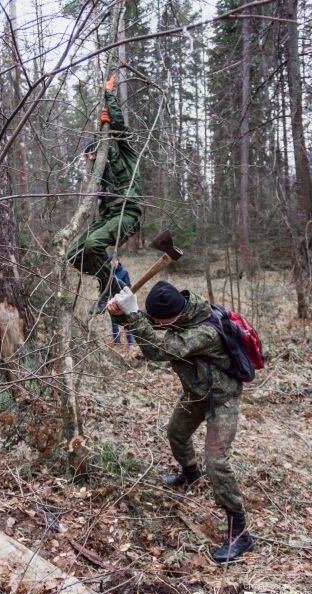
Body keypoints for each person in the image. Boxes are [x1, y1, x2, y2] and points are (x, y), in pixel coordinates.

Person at [107, 281, 254, 563]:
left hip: (222, 400)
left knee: (217, 461)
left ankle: (240, 532)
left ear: (173, 314)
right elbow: (149, 327)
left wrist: (134, 315)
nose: (158, 323)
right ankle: (190, 474)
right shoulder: (177, 313)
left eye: (161, 320)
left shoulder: (206, 331)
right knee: (176, 433)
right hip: (196, 394)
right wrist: (120, 313)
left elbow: (160, 350)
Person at [67, 74, 143, 314]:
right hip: (108, 218)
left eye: (93, 154)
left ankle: (112, 287)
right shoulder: (101, 173)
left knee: (91, 244)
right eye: (87, 157)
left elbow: (120, 129)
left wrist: (109, 97)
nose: (90, 159)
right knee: (74, 253)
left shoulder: (126, 155)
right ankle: (111, 285)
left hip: (127, 213)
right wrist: (92, 165)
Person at [108, 256, 134, 345]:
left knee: (127, 321)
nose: (114, 262)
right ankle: (117, 342)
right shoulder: (108, 273)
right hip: (112, 300)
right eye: (112, 261)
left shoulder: (124, 272)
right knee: (114, 322)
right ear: (110, 262)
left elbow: (129, 286)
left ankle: (130, 343)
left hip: (123, 300)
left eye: (116, 260)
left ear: (118, 261)